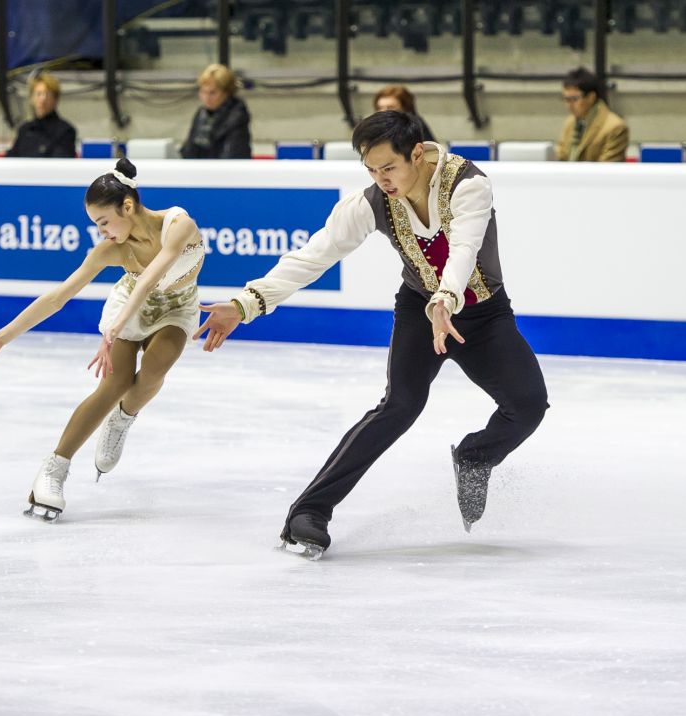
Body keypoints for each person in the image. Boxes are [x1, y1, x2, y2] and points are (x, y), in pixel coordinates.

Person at [195, 111, 548, 559]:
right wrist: (247, 303)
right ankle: (309, 513)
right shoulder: (371, 203)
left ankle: (476, 458)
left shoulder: (468, 184)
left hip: (482, 314)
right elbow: (314, 257)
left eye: (389, 168)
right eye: (371, 169)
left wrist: (446, 300)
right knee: (400, 404)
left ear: (417, 154)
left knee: (528, 405)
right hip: (421, 312)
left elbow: (463, 249)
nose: (380, 179)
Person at [0, 158, 204, 521]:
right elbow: (58, 297)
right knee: (115, 381)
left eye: (104, 221)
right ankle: (52, 472)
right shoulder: (112, 250)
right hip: (129, 305)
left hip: (176, 308)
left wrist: (117, 326)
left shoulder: (179, 225)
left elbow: (152, 277)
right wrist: (2, 338)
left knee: (153, 371)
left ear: (128, 206)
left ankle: (123, 418)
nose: (101, 231)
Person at [180, 63, 252, 159]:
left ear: (227, 93)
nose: (206, 98)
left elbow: (234, 154)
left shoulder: (237, 116)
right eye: (203, 92)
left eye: (212, 93)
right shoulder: (201, 114)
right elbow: (188, 150)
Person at [555, 67, 628, 162]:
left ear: (591, 97)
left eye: (574, 99)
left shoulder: (615, 127)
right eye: (566, 99)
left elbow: (607, 169)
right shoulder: (570, 122)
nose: (569, 105)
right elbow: (560, 156)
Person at [5, 73, 77, 158]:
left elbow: (61, 164)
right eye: (38, 94)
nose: (43, 99)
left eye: (47, 94)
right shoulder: (24, 130)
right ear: (31, 98)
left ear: (56, 100)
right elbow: (11, 160)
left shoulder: (65, 131)